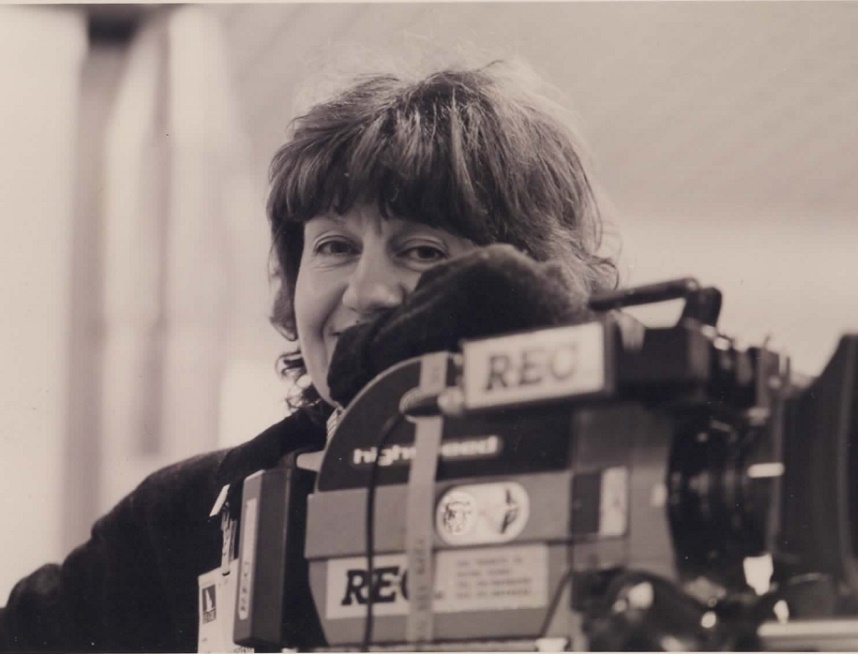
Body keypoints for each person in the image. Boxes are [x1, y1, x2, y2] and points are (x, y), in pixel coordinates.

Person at [0, 59, 618, 652]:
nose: (366, 292)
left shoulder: (618, 478)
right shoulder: (184, 517)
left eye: (423, 251)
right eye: (335, 246)